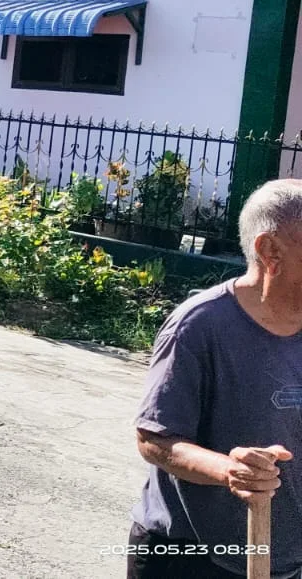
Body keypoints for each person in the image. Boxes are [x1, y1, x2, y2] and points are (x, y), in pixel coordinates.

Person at [128, 178, 302, 579]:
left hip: (285, 561)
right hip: (191, 559)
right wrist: (230, 470)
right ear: (270, 250)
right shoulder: (199, 326)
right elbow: (154, 439)